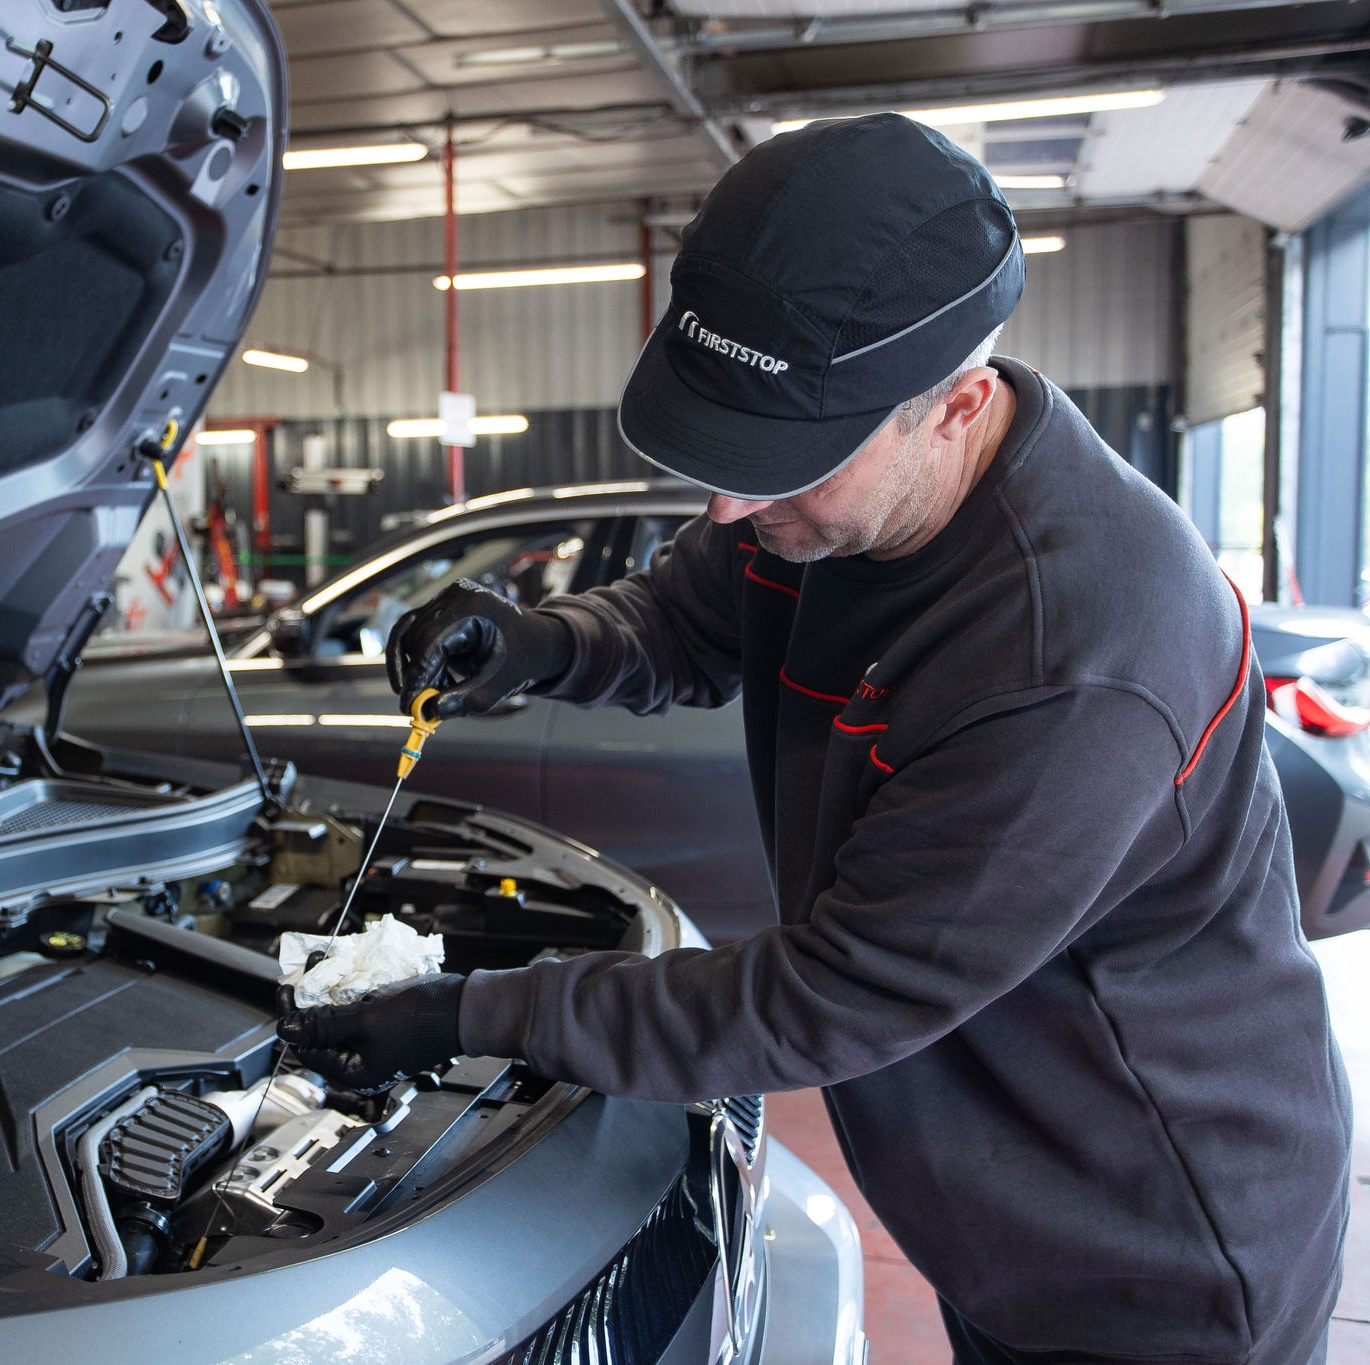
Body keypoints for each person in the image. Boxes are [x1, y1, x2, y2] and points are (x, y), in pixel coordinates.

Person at [277, 114, 1349, 1364]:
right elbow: (682, 611)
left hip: (1146, 1248)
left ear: (953, 405)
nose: (732, 506)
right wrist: (540, 643)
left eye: (780, 467)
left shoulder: (1071, 659)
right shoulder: (833, 501)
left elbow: (828, 996)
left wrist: (474, 1012)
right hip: (999, 1198)